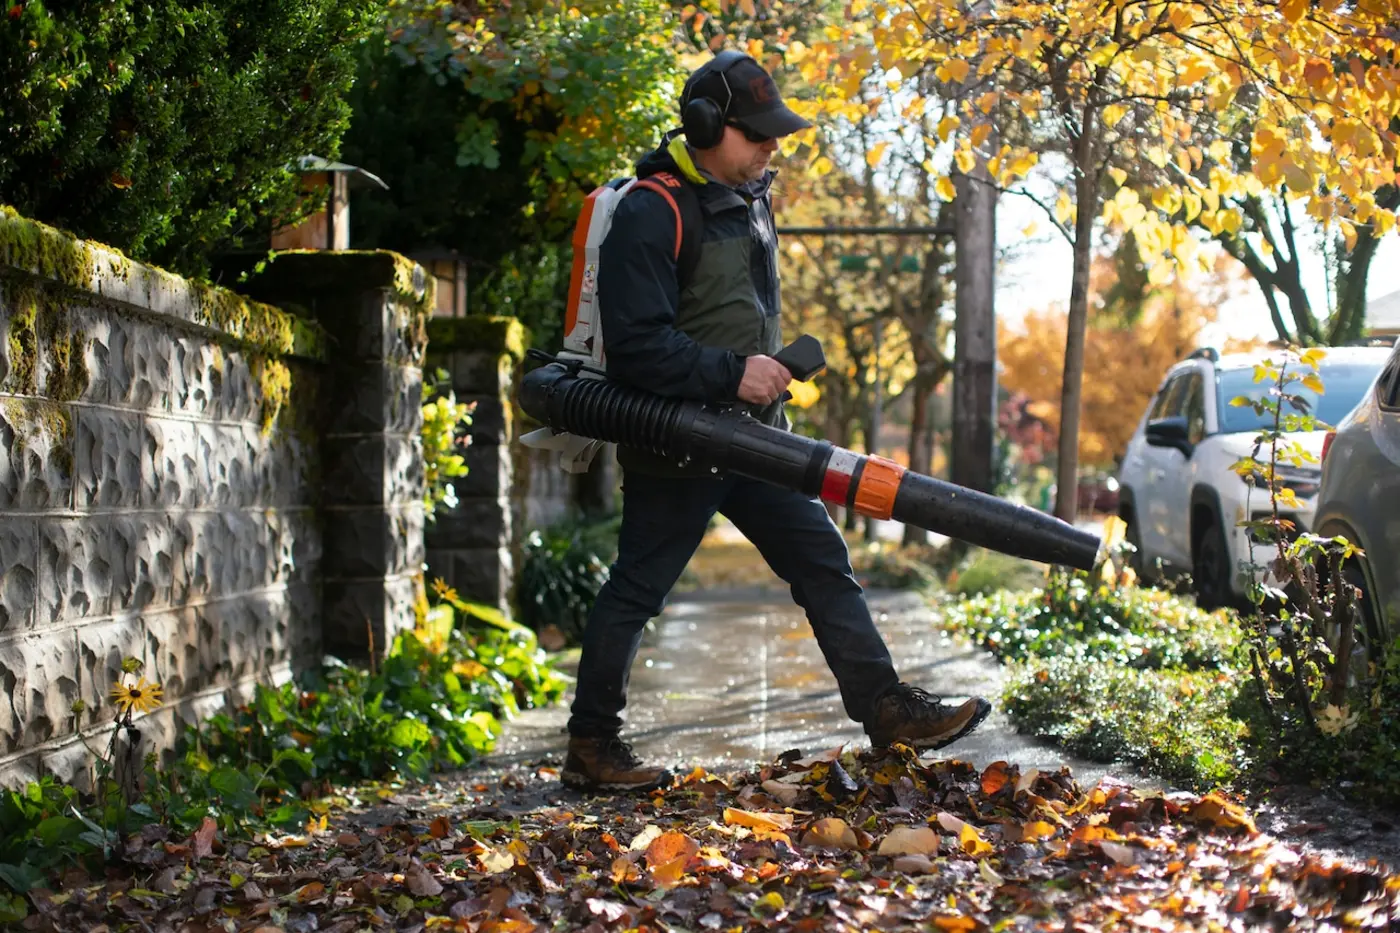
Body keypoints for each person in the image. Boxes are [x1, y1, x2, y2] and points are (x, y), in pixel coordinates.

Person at [560, 51, 991, 792]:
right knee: (637, 589)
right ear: (703, 125)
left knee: (824, 562)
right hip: (679, 441)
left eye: (772, 135)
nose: (770, 147)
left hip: (759, 436)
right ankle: (592, 745)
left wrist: (761, 375)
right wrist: (733, 371)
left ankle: (885, 707)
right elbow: (635, 348)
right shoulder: (649, 211)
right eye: (755, 134)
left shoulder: (751, 197)